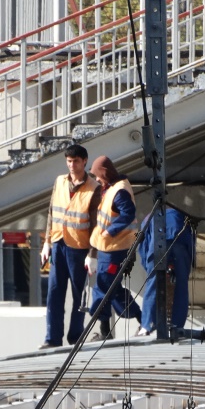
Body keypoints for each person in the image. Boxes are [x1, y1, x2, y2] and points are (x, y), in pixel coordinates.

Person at [39, 144, 102, 349]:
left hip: (79, 248)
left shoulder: (94, 187)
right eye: (69, 161)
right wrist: (47, 242)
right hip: (58, 244)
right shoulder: (60, 181)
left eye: (75, 161)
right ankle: (52, 338)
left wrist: (92, 253)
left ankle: (75, 336)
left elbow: (95, 224)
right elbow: (51, 212)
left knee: (79, 296)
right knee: (54, 293)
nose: (72, 165)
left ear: (84, 161)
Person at [87, 155, 141, 339]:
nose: (96, 179)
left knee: (103, 288)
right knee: (113, 289)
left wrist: (110, 231)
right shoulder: (112, 188)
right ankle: (145, 320)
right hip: (108, 248)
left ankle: (104, 331)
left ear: (104, 173)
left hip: (114, 249)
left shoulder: (119, 191)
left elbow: (128, 214)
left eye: (97, 175)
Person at [137, 207, 195, 336]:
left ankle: (147, 325)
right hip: (182, 242)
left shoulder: (147, 220)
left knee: (153, 283)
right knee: (181, 285)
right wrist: (185, 269)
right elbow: (191, 242)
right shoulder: (182, 215)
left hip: (158, 241)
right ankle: (177, 326)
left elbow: (144, 249)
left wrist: (150, 270)